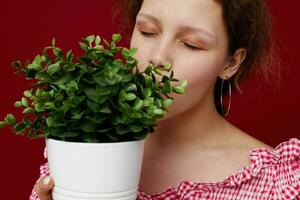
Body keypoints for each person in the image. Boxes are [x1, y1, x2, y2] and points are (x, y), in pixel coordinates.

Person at [30, 0, 300, 199]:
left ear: (231, 62)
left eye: (191, 44)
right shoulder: (79, 151)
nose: (157, 58)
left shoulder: (277, 184)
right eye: (147, 31)